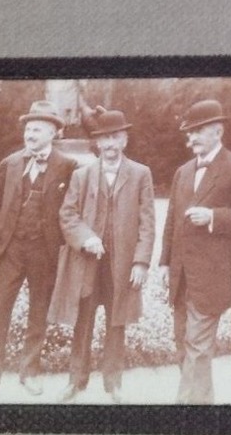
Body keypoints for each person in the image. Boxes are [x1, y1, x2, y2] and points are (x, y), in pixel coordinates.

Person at [49, 107, 155, 403]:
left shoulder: (140, 174)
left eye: (115, 137)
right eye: (104, 139)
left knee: (116, 322)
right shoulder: (82, 175)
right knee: (83, 321)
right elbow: (67, 214)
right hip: (87, 262)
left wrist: (141, 261)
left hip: (121, 265)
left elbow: (148, 221)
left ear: (125, 140)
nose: (109, 144)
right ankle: (75, 381)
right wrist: (86, 238)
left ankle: (113, 383)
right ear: (97, 143)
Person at [159, 99, 231, 404]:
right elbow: (172, 220)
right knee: (183, 345)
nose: (190, 139)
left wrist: (214, 217)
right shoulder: (183, 172)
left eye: (197, 132)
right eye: (188, 133)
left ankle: (185, 412)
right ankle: (203, 406)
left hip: (214, 275)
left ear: (217, 131)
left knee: (198, 347)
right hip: (181, 275)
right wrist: (165, 263)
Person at [0, 100, 78, 401]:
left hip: (45, 252)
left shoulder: (68, 166)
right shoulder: (10, 163)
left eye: (37, 129)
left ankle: (30, 372)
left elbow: (71, 209)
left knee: (38, 313)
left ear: (53, 133)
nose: (29, 134)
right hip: (10, 251)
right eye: (28, 129)